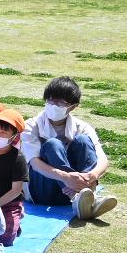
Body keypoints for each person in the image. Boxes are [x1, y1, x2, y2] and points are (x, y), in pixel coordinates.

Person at [23, 76, 116, 221]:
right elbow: (34, 163)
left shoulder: (82, 127)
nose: (53, 105)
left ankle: (85, 196)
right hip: (42, 190)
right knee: (53, 144)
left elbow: (102, 159)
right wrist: (65, 177)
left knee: (83, 141)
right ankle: (83, 198)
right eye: (50, 100)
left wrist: (91, 176)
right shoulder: (31, 125)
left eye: (61, 102)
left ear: (73, 106)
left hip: (72, 188)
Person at [0, 107, 29, 245]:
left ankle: (18, 214)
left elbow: (16, 190)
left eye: (3, 132)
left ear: (14, 136)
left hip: (9, 203)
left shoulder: (18, 158)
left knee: (5, 238)